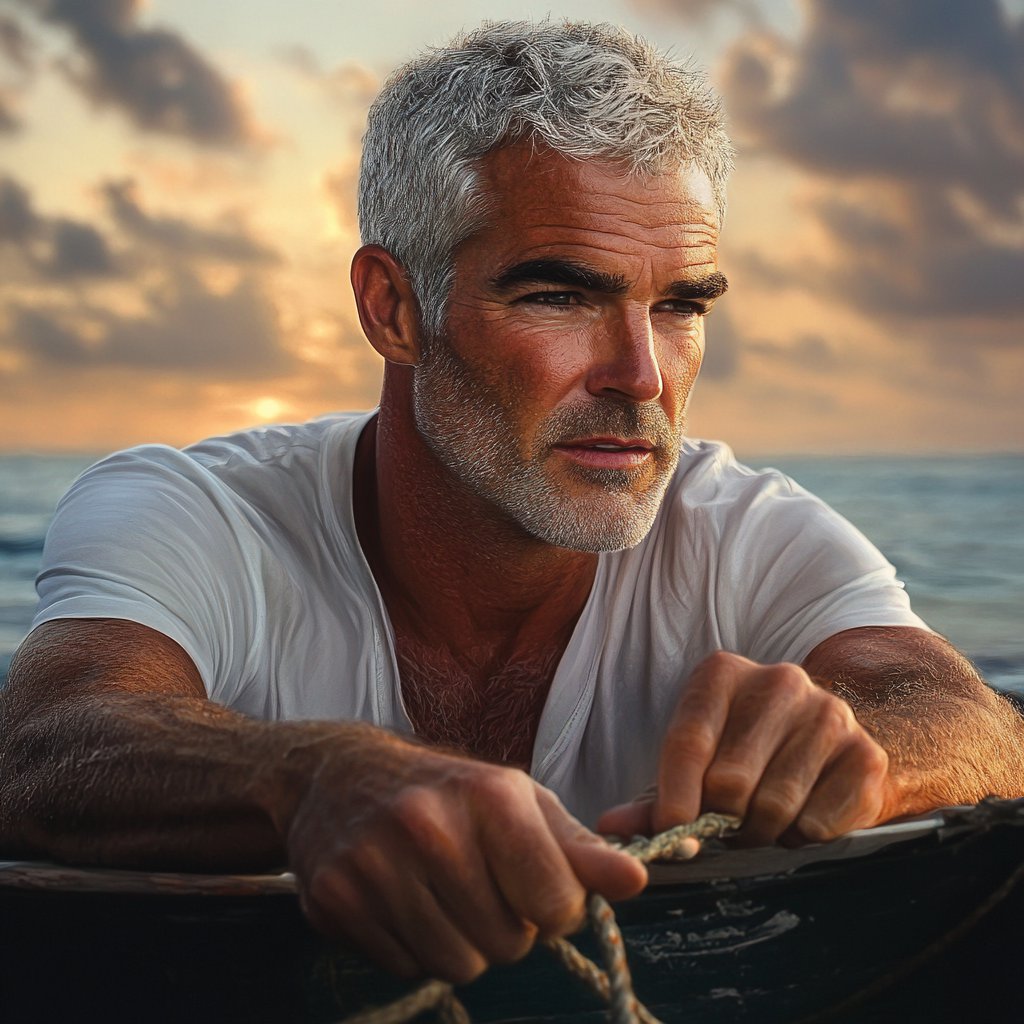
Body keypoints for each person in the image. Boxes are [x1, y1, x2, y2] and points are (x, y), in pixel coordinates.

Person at [1, 20, 1021, 986]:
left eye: (678, 306)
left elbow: (972, 721)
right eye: (560, 295)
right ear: (392, 309)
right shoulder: (192, 509)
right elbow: (46, 740)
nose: (640, 377)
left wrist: (859, 758)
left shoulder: (741, 528)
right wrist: (309, 777)